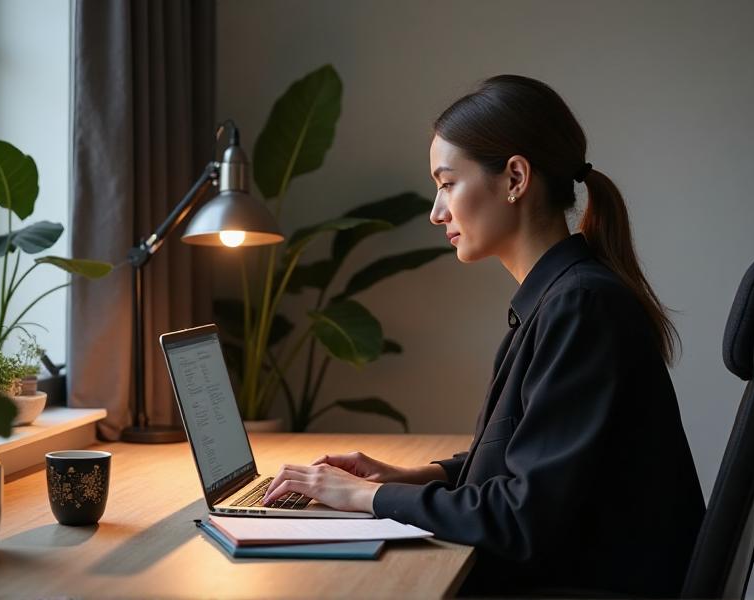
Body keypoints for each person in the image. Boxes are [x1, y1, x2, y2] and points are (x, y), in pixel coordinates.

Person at [261, 75, 705, 597]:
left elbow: (520, 517)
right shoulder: (559, 298)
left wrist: (366, 499)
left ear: (515, 177)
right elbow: (526, 463)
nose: (436, 211)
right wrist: (407, 477)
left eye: (448, 183)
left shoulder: (581, 306)